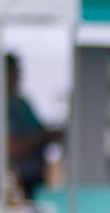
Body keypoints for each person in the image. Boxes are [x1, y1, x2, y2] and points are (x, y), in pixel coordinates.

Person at [6, 53, 62, 199]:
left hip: (37, 180)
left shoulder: (22, 103)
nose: (18, 77)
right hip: (18, 182)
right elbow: (12, 148)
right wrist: (44, 137)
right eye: (13, 72)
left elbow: (40, 128)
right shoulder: (5, 107)